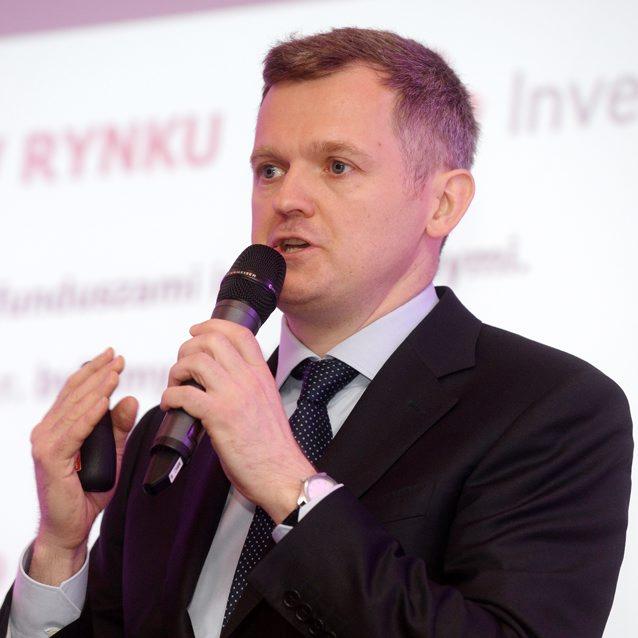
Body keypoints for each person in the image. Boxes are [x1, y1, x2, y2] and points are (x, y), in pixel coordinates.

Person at [1, 27, 632, 638]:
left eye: (336, 165)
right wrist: (61, 550)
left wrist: (290, 487)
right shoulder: (177, 434)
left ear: (443, 203)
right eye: (270, 169)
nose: (288, 199)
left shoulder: (550, 410)